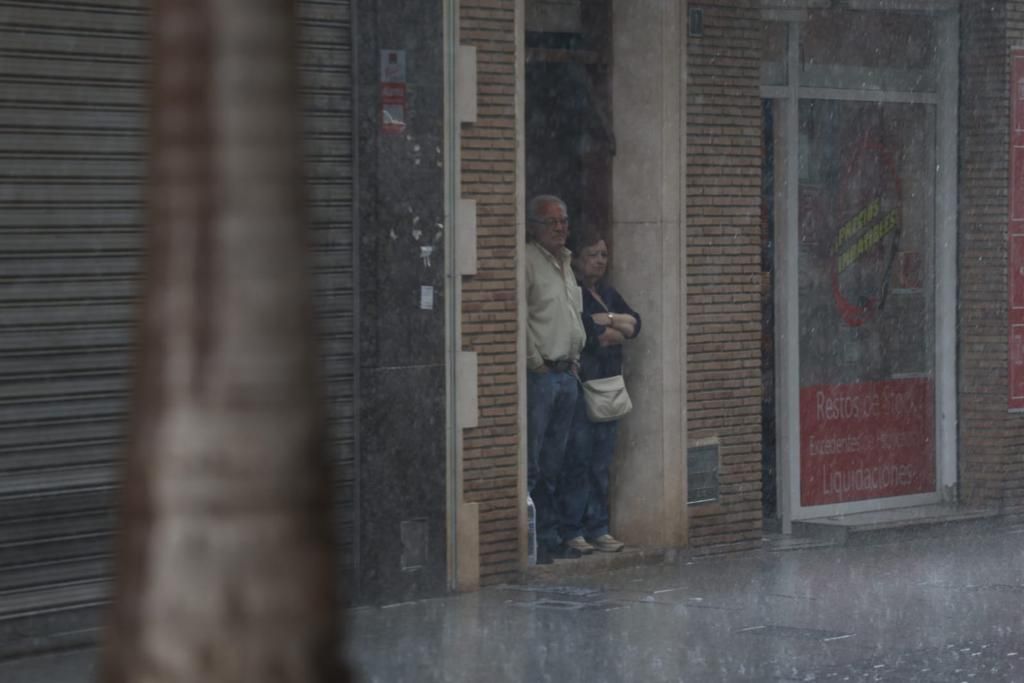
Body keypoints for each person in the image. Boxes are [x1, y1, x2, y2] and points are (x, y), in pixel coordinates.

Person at [560, 233, 641, 554]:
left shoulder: (607, 293)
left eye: (604, 254)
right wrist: (610, 328)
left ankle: (598, 526)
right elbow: (588, 334)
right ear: (577, 259)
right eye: (592, 254)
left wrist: (608, 319)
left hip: (609, 389)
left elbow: (635, 325)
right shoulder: (575, 292)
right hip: (584, 386)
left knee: (601, 462)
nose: (600, 260)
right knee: (578, 460)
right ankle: (573, 528)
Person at [525, 195, 589, 563]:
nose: (562, 228)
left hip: (567, 374)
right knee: (533, 463)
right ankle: (537, 541)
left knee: (558, 461)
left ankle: (553, 535)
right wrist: (536, 363)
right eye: (553, 222)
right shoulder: (529, 262)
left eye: (564, 221)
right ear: (534, 226)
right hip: (543, 376)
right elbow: (522, 317)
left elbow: (570, 315)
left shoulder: (566, 262)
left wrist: (575, 357)